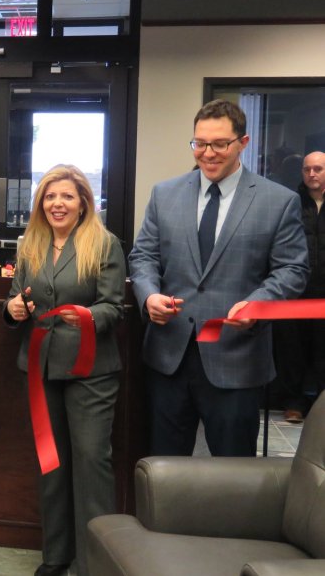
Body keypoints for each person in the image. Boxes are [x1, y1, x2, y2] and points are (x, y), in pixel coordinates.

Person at [130, 99, 308, 457]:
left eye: (219, 144)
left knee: (233, 475)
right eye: (199, 143)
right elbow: (144, 256)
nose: (207, 153)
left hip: (237, 359)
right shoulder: (164, 194)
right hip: (169, 359)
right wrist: (149, 297)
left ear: (243, 143)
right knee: (165, 471)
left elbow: (293, 269)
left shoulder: (278, 201)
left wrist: (258, 304)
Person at [3, 164, 124, 576]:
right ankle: (55, 557)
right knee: (50, 463)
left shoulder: (104, 244)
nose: (58, 204)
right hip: (40, 367)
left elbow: (114, 306)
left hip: (90, 370)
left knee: (91, 463)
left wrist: (88, 317)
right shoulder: (30, 243)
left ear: (83, 203)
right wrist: (13, 308)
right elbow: (16, 295)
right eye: (51, 197)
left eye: (67, 197)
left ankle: (94, 564)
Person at [273, 151, 325, 423]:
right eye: (308, 169)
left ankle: (321, 408)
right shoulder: (291, 202)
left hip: (324, 295)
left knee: (322, 352)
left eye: (318, 169)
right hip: (295, 292)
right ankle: (293, 403)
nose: (312, 174)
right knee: (292, 351)